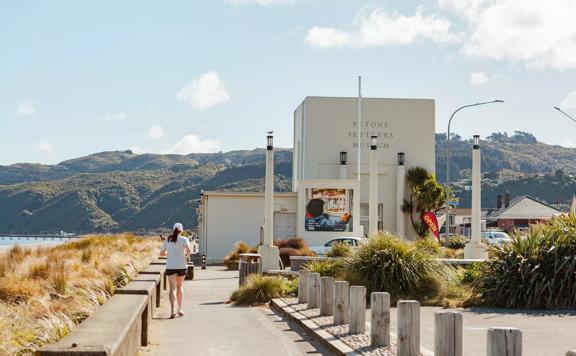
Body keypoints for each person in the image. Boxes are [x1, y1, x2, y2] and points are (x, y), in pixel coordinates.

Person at [160, 223, 191, 319]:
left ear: (173, 229)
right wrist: (187, 257)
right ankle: (180, 309)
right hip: (182, 266)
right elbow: (188, 250)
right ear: (182, 230)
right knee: (179, 286)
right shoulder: (184, 239)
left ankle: (173, 310)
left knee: (172, 288)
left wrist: (169, 254)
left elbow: (161, 254)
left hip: (171, 266)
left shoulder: (167, 240)